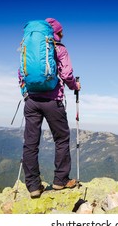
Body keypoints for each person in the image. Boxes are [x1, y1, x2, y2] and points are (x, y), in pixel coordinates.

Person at [18, 17, 81, 198]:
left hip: (32, 101)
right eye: (62, 32)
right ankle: (60, 181)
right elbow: (67, 74)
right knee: (61, 139)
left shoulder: (27, 47)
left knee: (30, 143)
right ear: (58, 32)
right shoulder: (59, 48)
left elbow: (21, 73)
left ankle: (33, 186)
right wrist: (75, 87)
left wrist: (26, 93)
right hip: (53, 101)